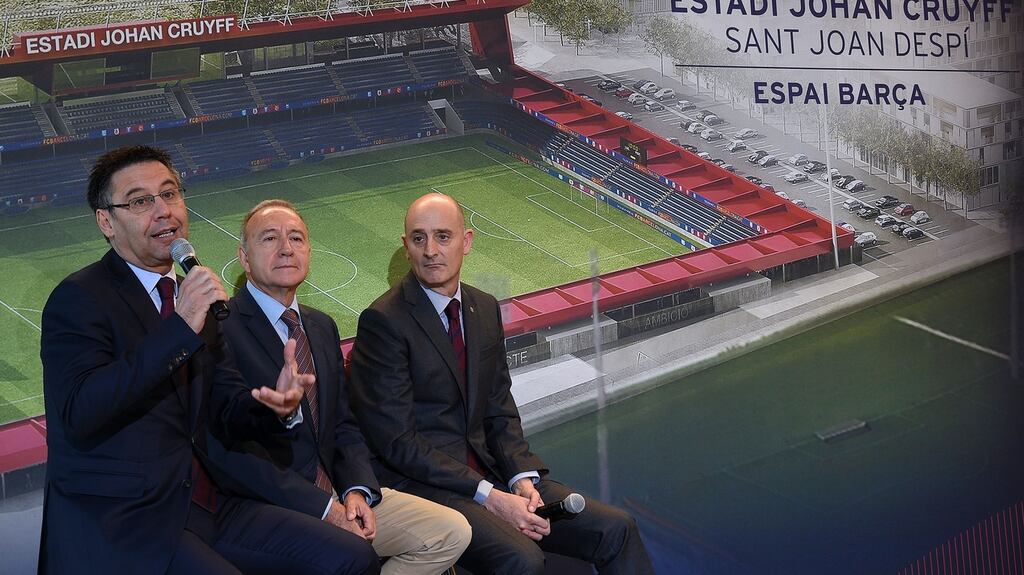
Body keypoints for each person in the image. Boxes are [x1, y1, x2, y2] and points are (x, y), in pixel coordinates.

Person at [39, 145, 379, 575]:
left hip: (207, 503)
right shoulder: (81, 298)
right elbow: (80, 412)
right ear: (106, 221)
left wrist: (275, 405)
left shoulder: (194, 295)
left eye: (170, 194)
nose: (163, 210)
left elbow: (226, 407)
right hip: (125, 519)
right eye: (142, 201)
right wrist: (180, 328)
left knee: (353, 557)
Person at [349, 192, 654, 574]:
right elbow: (398, 443)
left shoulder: (484, 307)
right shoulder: (383, 321)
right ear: (406, 246)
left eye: (443, 236)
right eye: (418, 238)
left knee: (616, 528)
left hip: (494, 476)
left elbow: (498, 408)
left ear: (467, 241)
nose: (431, 250)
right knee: (521, 559)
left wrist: (521, 478)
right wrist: (489, 495)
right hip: (430, 488)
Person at [215, 199, 471, 574]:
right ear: (243, 256)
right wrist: (326, 509)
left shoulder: (320, 326)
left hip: (338, 492)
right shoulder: (220, 330)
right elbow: (230, 451)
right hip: (272, 506)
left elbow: (343, 426)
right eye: (269, 238)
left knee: (451, 532)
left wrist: (356, 490)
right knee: (353, 554)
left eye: (297, 238)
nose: (286, 248)